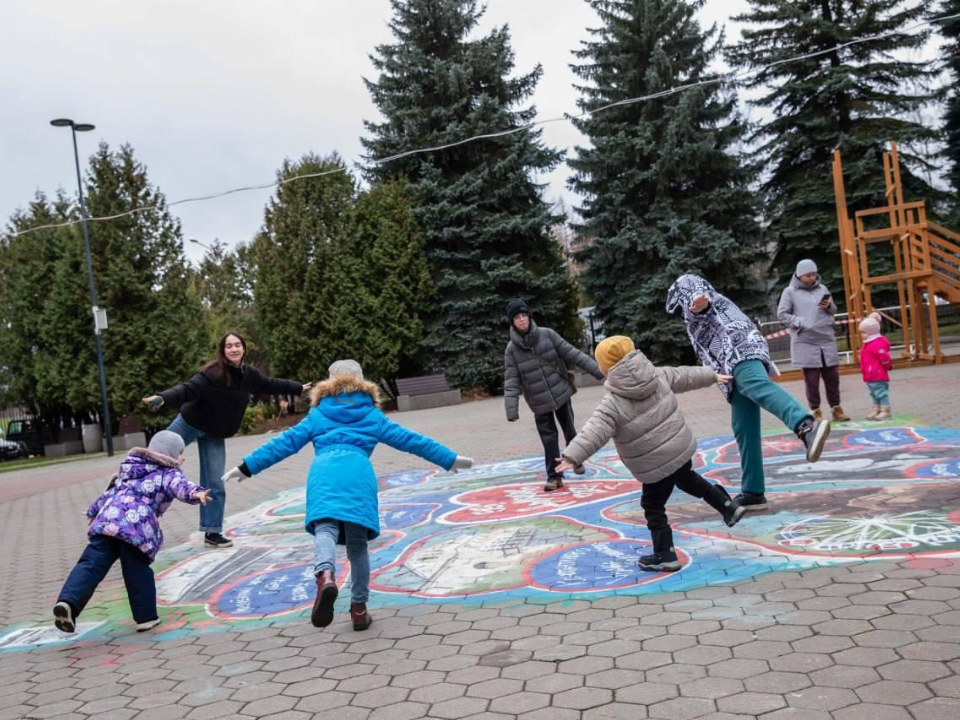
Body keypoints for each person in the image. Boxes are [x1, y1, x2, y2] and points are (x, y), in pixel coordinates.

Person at [221, 360, 473, 631]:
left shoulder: (318, 415)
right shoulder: (372, 415)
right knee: (357, 546)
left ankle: (325, 575)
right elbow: (411, 440)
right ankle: (359, 610)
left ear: (328, 384)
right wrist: (448, 459)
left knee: (325, 529)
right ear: (362, 383)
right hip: (358, 475)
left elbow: (283, 443)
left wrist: (246, 467)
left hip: (324, 474)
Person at [556, 336, 746, 572]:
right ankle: (727, 505)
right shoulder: (656, 374)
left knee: (653, 505)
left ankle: (665, 554)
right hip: (679, 448)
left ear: (606, 368)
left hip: (655, 465)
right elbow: (684, 375)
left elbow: (594, 430)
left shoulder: (613, 402)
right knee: (687, 478)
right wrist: (711, 375)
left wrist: (571, 455)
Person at [666, 274, 832, 512]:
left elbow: (701, 302)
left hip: (739, 352)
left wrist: (698, 301)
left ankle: (805, 426)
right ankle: (753, 492)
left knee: (757, 387)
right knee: (744, 425)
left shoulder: (705, 300)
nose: (681, 313)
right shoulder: (719, 305)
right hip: (734, 361)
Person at [142, 332, 310, 549]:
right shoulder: (212, 374)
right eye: (229, 346)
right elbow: (186, 389)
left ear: (243, 349)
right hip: (189, 423)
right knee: (154, 462)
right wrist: (163, 397)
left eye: (237, 345)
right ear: (223, 351)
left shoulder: (248, 374)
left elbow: (270, 384)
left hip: (214, 433)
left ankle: (212, 532)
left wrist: (297, 387)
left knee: (215, 483)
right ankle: (123, 490)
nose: (234, 349)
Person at [53, 431, 210, 634]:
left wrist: (94, 510)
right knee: (137, 570)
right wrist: (196, 493)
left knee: (90, 564)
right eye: (180, 453)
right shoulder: (169, 473)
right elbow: (181, 486)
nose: (183, 457)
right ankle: (146, 618)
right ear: (169, 454)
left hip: (107, 522)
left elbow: (112, 491)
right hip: (135, 528)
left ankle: (68, 603)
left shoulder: (130, 468)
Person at [503, 299, 605, 491]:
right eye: (517, 317)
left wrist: (600, 373)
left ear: (529, 316)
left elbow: (573, 354)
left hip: (560, 393)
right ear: (513, 322)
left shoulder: (547, 335)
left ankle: (576, 460)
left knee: (569, 430)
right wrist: (511, 410)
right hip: (538, 401)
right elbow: (511, 380)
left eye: (524, 315)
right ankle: (554, 477)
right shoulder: (512, 350)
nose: (522, 319)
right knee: (549, 439)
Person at [777, 259, 850, 422]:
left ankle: (836, 409)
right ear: (799, 275)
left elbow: (833, 309)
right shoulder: (789, 292)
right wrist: (801, 322)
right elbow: (782, 314)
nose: (811, 278)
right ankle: (815, 410)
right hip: (806, 341)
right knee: (812, 379)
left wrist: (828, 305)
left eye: (814, 274)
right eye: (808, 275)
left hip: (826, 338)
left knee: (832, 377)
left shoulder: (822, 288)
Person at [858, 313, 893, 420]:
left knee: (881, 393)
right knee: (874, 393)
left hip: (878, 374)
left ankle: (885, 411)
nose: (861, 334)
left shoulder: (876, 344)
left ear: (871, 332)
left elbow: (885, 357)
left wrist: (887, 366)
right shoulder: (868, 343)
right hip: (870, 374)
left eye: (863, 332)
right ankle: (876, 409)